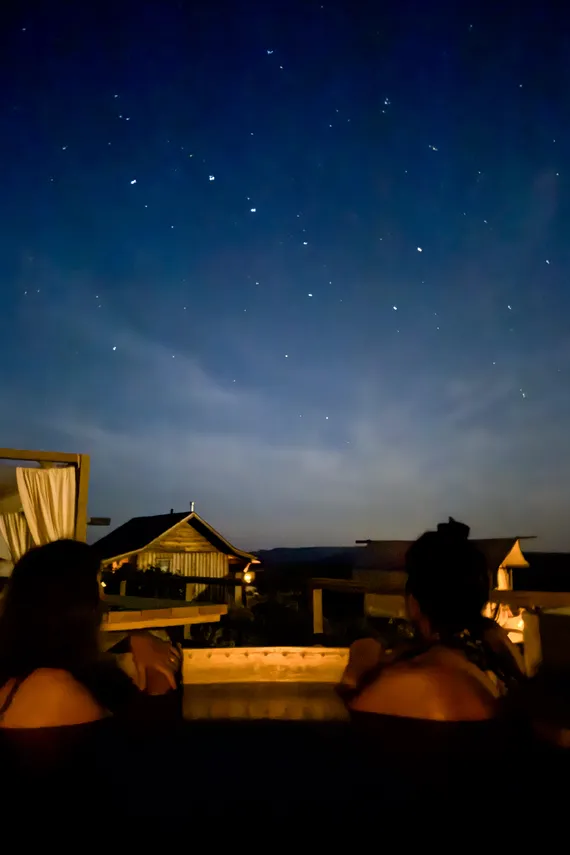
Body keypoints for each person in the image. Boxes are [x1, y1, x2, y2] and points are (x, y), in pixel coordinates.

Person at [338, 519, 526, 804]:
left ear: (414, 603)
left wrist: (357, 667)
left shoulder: (419, 678)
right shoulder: (500, 655)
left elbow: (353, 719)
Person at [0, 540, 183, 811]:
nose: (104, 600)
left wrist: (137, 638)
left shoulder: (22, 677)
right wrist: (159, 671)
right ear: (75, 605)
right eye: (98, 586)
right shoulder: (52, 688)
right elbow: (150, 762)